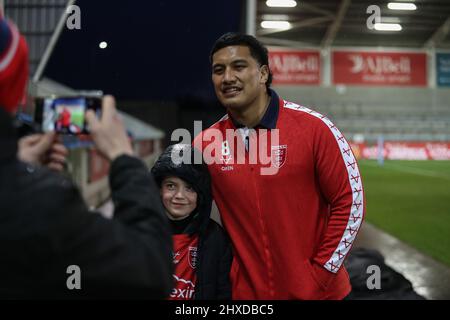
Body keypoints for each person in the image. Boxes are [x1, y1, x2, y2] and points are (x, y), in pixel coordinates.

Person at [0, 17, 172, 299]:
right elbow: (149, 269)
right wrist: (123, 158)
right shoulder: (44, 205)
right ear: (15, 90)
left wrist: (14, 164)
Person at [193, 32, 365, 300]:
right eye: (219, 70)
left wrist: (320, 273)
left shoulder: (315, 128)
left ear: (263, 74)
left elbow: (350, 202)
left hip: (319, 294)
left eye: (239, 66)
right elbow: (183, 211)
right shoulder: (204, 145)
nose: (227, 78)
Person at [151, 144, 232, 300]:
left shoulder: (215, 238)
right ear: (158, 189)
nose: (179, 195)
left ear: (201, 194)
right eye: (171, 186)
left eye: (189, 188)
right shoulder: (140, 233)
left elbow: (223, 293)